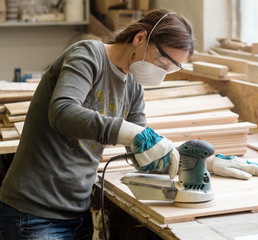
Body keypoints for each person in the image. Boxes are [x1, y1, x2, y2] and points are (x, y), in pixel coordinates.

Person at [0, 9, 192, 239]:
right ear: (140, 38)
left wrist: (194, 162)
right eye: (162, 62)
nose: (162, 74)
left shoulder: (134, 87)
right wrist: (128, 132)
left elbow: (143, 153)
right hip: (33, 213)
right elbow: (63, 112)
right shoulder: (88, 55)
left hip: (78, 212)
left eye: (170, 69)